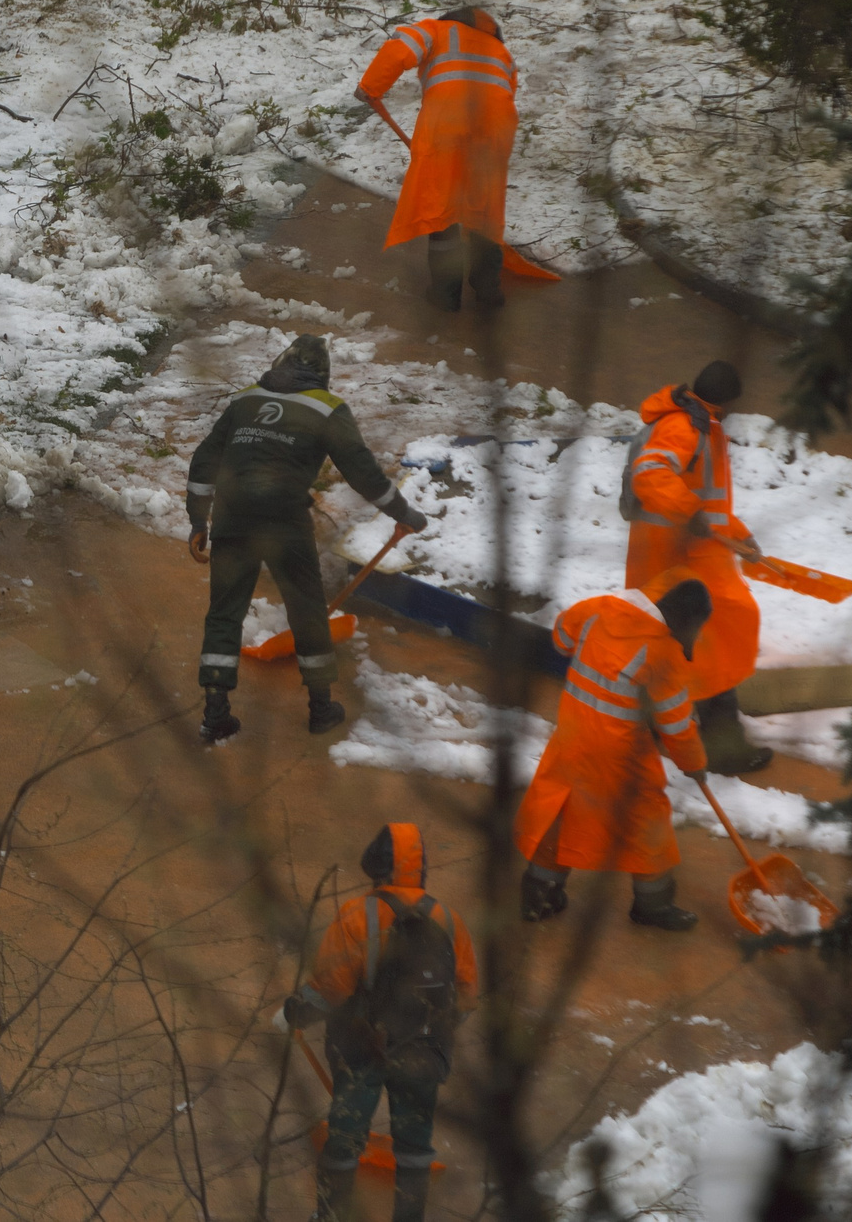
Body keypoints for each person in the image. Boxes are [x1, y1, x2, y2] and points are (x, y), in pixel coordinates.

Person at [187, 335, 428, 744]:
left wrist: (198, 519)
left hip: (233, 514)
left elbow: (205, 458)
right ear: (323, 374)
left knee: (224, 613)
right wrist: (403, 514)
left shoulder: (246, 399)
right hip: (285, 521)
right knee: (307, 610)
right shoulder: (328, 408)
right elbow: (363, 472)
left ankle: (215, 714)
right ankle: (320, 709)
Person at [284, 823, 477, 1222]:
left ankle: (331, 1216)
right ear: (421, 869)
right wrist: (430, 1029)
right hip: (423, 1052)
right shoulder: (449, 919)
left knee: (344, 1140)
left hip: (361, 1049)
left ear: (375, 866)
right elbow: (467, 995)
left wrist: (297, 1010)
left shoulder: (358, 915)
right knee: (415, 1147)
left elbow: (332, 987)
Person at [515, 577, 712, 931]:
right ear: (686, 621)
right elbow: (678, 727)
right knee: (647, 818)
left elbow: (561, 638)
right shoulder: (662, 654)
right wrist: (694, 764)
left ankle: (539, 895)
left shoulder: (598, 609)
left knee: (562, 809)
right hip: (621, 758)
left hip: (572, 738)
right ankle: (653, 904)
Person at [620, 360, 771, 773]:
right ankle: (724, 749)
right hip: (676, 557)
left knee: (669, 643)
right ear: (725, 403)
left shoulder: (698, 424)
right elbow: (651, 474)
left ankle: (648, 727)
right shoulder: (686, 428)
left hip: (674, 555)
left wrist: (740, 535)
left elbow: (709, 502)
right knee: (712, 646)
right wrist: (689, 513)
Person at [354, 8, 523, 313]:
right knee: (484, 208)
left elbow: (400, 48)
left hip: (449, 123)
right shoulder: (501, 51)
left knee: (442, 208)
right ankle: (489, 290)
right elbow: (508, 91)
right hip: (496, 130)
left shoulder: (437, 30)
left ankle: (446, 294)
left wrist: (370, 87)